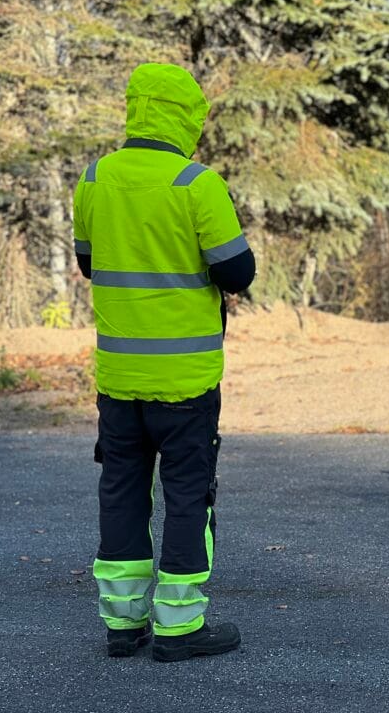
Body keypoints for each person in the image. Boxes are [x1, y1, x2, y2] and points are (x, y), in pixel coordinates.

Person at [72, 62, 255, 662]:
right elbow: (238, 273)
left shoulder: (95, 178)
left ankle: (122, 625)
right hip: (185, 380)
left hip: (119, 379)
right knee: (187, 494)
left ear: (135, 110)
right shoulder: (196, 184)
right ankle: (179, 626)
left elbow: (88, 264)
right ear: (185, 117)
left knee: (121, 490)